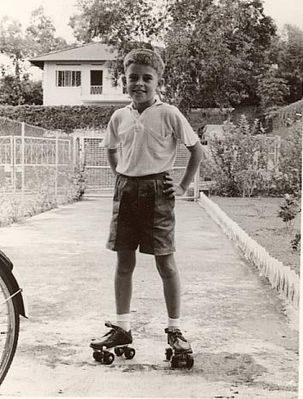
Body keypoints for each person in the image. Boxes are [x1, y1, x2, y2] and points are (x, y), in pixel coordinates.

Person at [90, 48, 203, 366]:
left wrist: (181, 185)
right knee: (124, 263)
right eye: (133, 77)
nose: (139, 83)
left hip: (158, 192)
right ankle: (122, 328)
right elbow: (111, 151)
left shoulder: (169, 113)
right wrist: (122, 177)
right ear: (124, 80)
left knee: (166, 264)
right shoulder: (119, 117)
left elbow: (196, 152)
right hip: (126, 191)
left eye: (146, 78)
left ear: (157, 81)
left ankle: (175, 329)